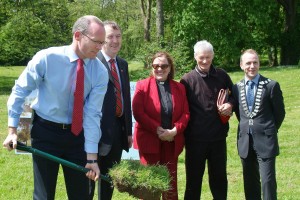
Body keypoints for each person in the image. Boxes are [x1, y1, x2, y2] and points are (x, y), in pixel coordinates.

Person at [2, 15, 109, 200]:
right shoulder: (47, 58)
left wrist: (92, 158)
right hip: (45, 133)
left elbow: (92, 114)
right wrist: (13, 130)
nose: (100, 47)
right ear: (78, 35)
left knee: (82, 196)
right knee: (43, 196)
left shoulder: (99, 71)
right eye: (96, 42)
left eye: (102, 42)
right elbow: (20, 91)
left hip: (77, 137)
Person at [180, 40, 234, 200]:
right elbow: (182, 109)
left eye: (208, 57)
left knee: (219, 179)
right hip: (195, 139)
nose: (205, 61)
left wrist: (230, 104)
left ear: (213, 56)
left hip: (218, 138)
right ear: (195, 56)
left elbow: (233, 96)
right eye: (201, 57)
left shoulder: (222, 75)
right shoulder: (187, 80)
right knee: (193, 181)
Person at [132, 51, 190, 200]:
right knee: (149, 185)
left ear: (170, 68)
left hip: (171, 142)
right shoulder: (142, 85)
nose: (159, 69)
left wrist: (175, 130)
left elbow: (185, 113)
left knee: (170, 185)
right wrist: (157, 129)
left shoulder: (179, 88)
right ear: (151, 67)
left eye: (163, 65)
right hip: (149, 141)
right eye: (156, 65)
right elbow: (138, 112)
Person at [232, 49, 285, 200]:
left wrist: (268, 129)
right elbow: (239, 113)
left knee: (268, 181)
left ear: (259, 64)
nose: (252, 66)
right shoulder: (236, 88)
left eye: (255, 62)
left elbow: (279, 114)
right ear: (242, 65)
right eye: (248, 63)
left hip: (266, 140)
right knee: (249, 181)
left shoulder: (271, 86)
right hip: (245, 142)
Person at [89, 21, 133, 200]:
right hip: (95, 132)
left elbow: (125, 98)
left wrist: (128, 131)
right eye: (110, 37)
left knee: (108, 182)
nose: (115, 41)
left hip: (117, 132)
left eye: (118, 36)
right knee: (89, 183)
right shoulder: (92, 61)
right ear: (102, 39)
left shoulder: (122, 64)